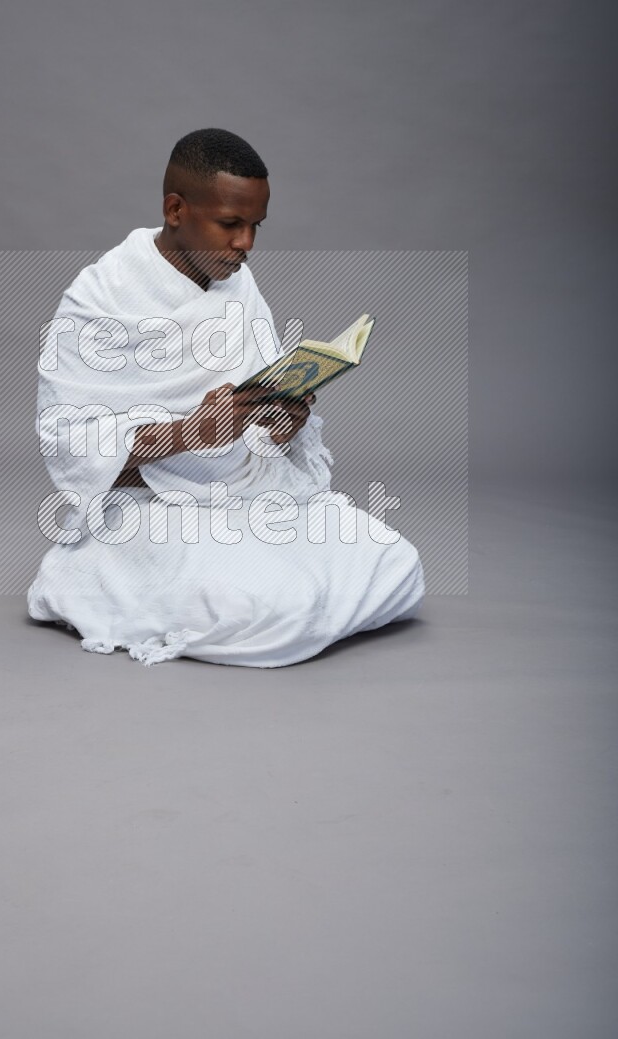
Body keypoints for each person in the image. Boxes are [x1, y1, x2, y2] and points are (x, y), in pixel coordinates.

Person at [27, 128, 425, 666]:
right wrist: (189, 433)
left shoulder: (237, 282)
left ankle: (263, 577)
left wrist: (283, 423)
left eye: (256, 226)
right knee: (275, 607)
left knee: (395, 563)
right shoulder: (99, 297)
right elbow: (72, 449)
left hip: (243, 490)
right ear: (175, 209)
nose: (246, 244)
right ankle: (88, 572)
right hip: (148, 504)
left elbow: (253, 409)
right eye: (231, 224)